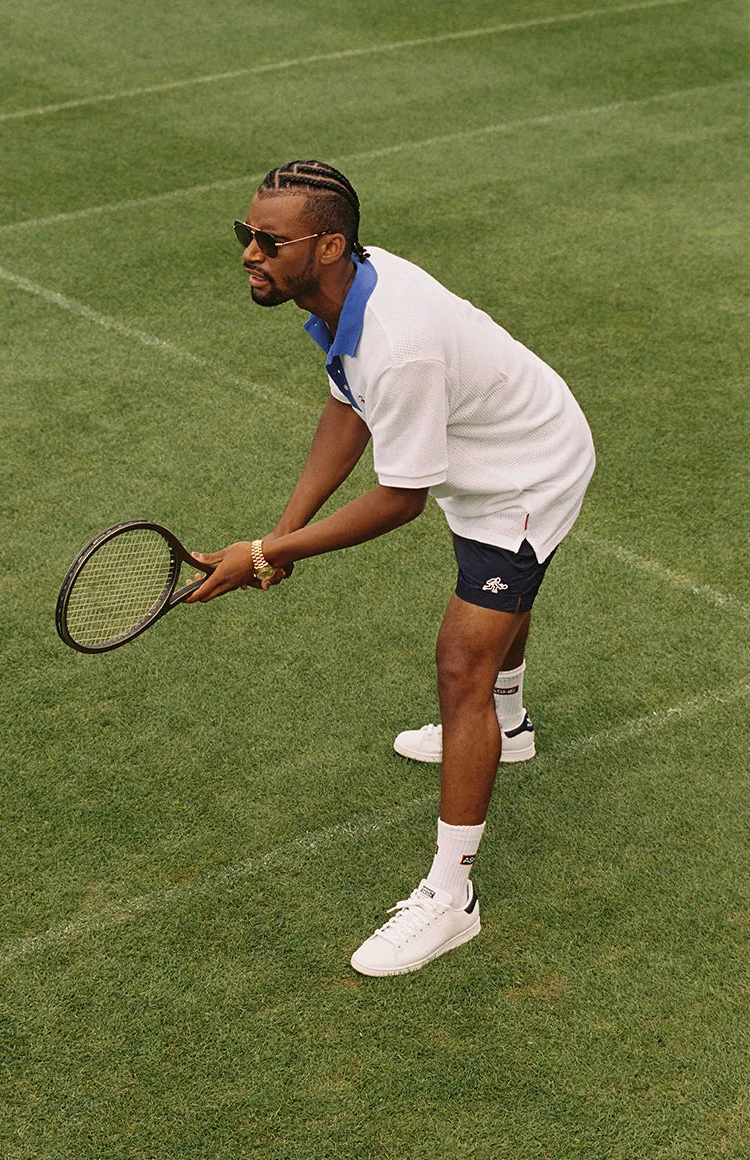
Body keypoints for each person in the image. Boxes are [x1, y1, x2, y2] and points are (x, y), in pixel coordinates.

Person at [187, 160, 595, 977]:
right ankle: (508, 729)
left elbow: (398, 498)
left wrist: (267, 554)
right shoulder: (352, 294)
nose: (249, 253)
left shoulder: (397, 344)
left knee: (460, 661)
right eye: (246, 234)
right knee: (493, 605)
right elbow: (350, 404)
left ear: (329, 244)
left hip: (526, 475)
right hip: (487, 456)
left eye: (269, 240)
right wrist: (283, 531)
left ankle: (452, 900)